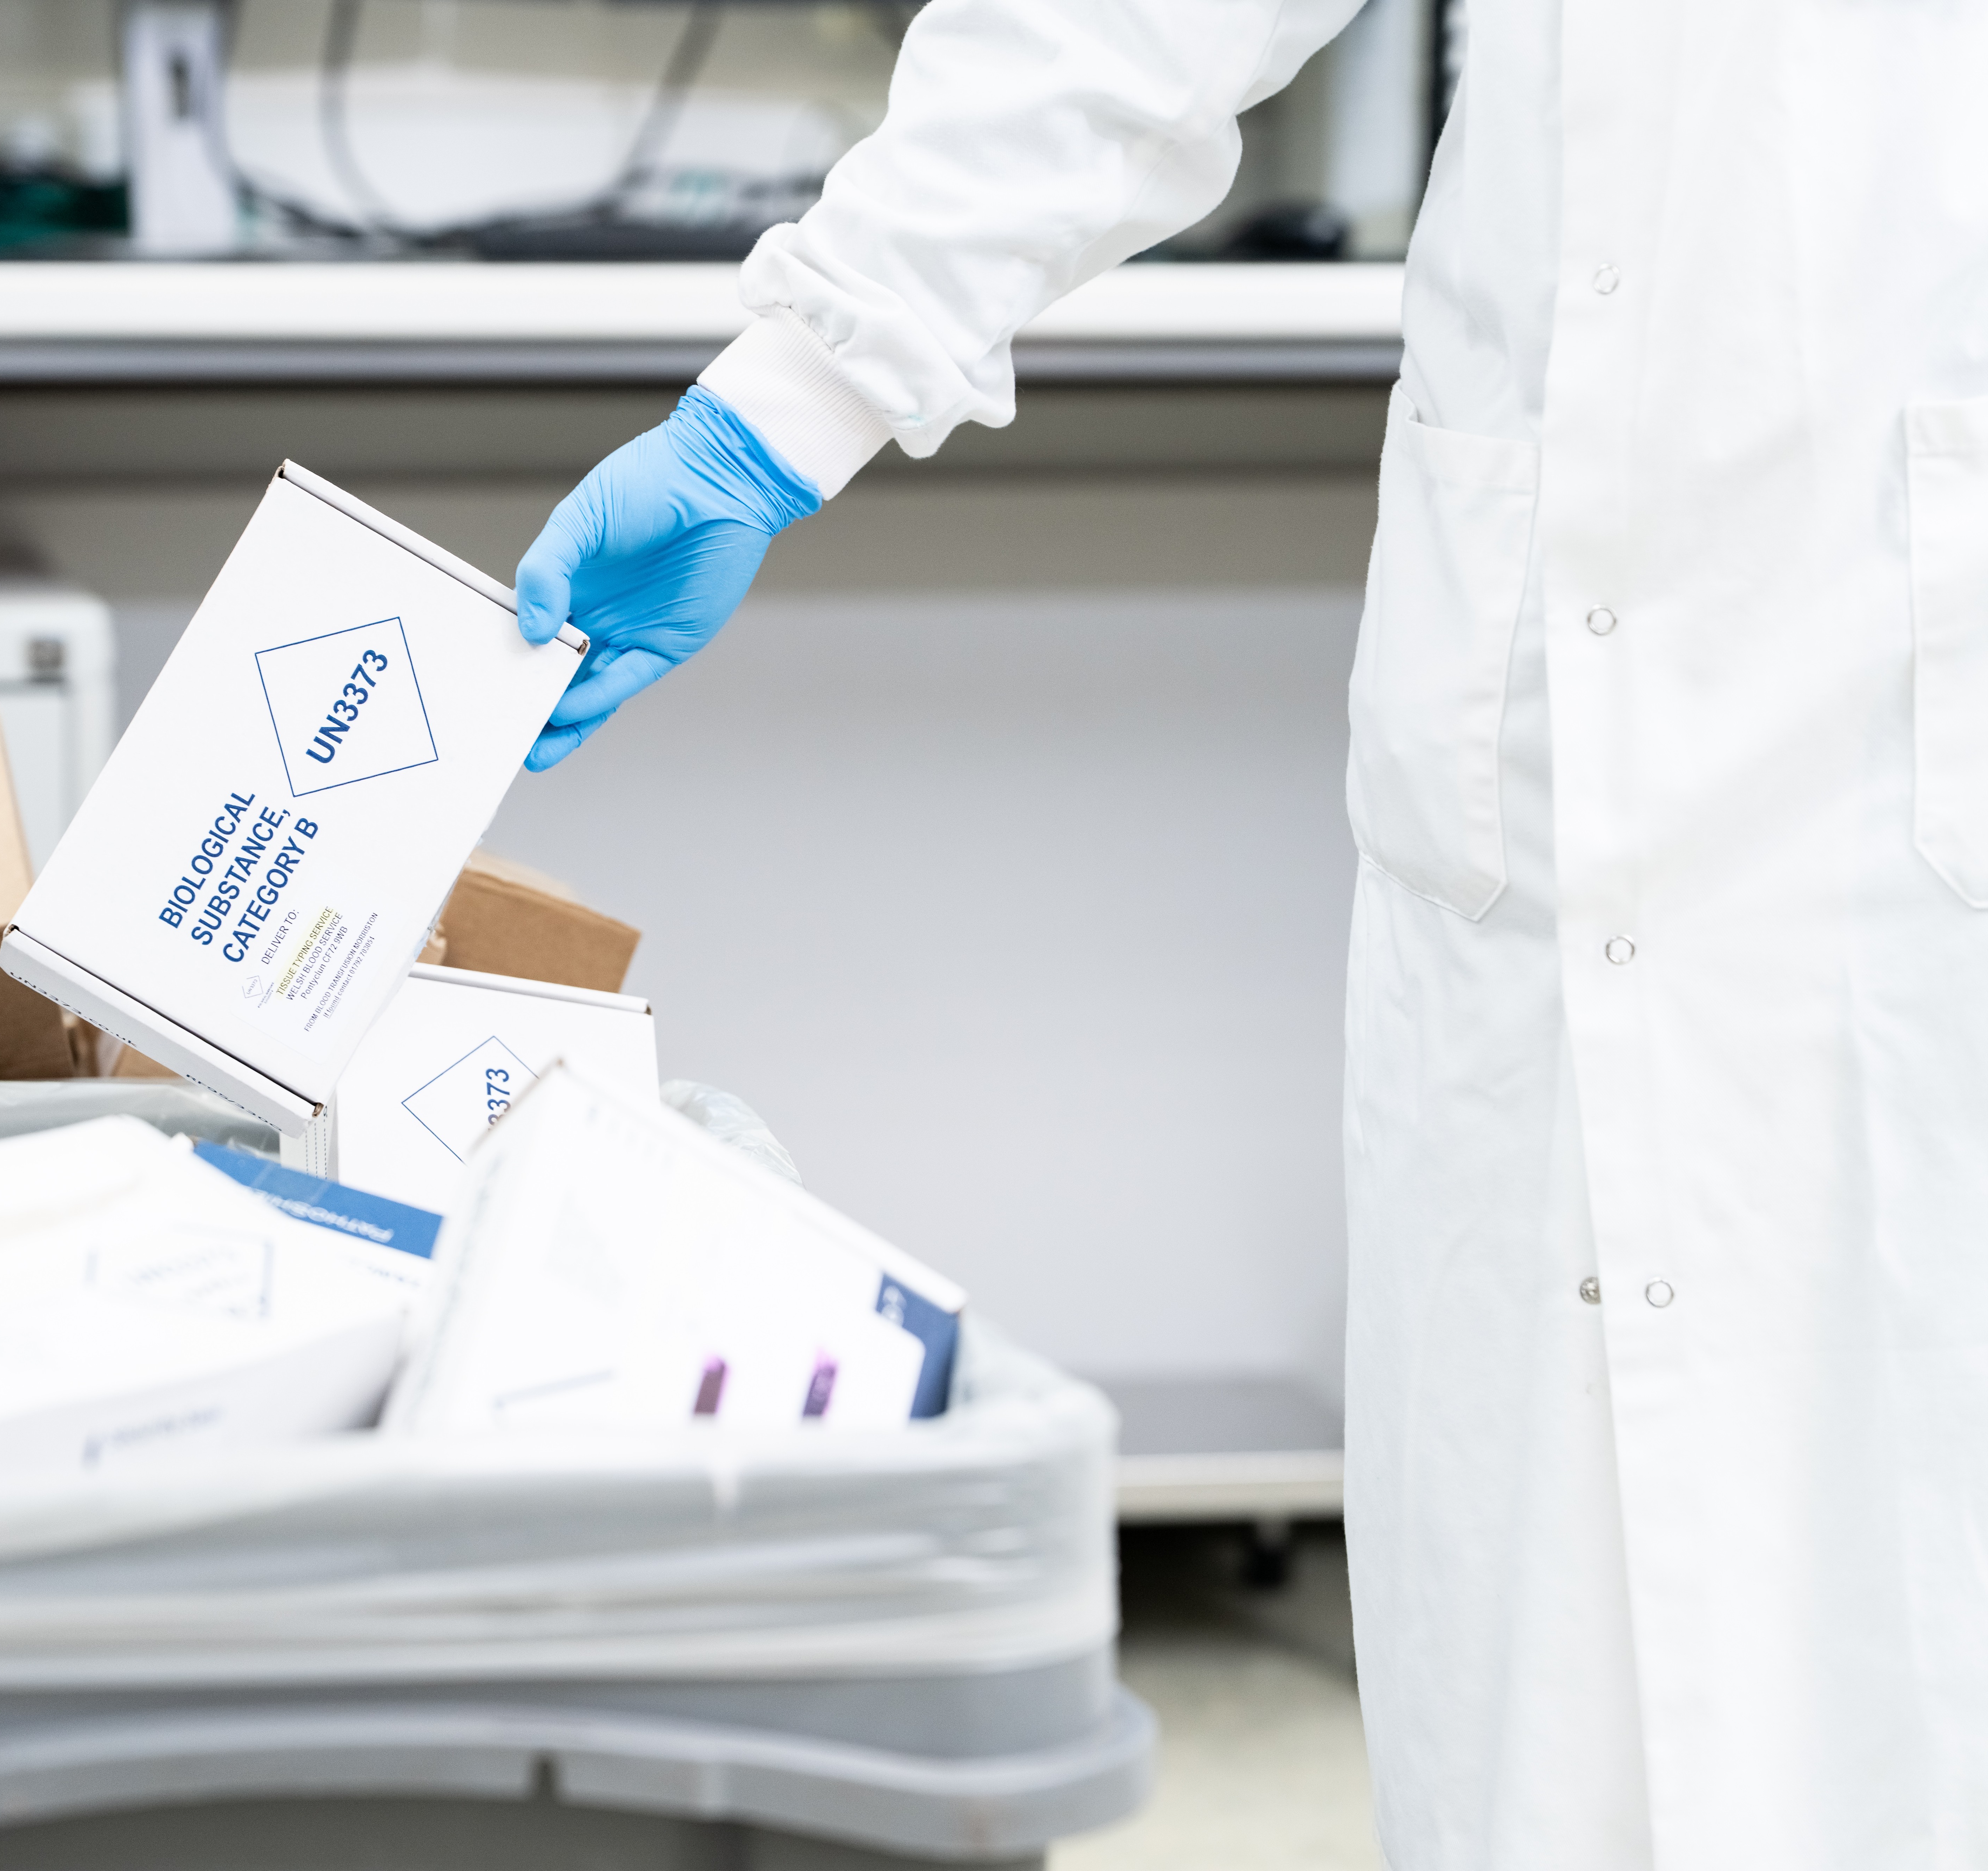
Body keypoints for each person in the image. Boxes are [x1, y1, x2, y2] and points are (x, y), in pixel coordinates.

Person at [513, 3, 1988, 1866]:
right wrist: (791, 396)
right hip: (1569, 705)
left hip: (1897, 698)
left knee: (1909, 1631)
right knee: (1562, 1686)